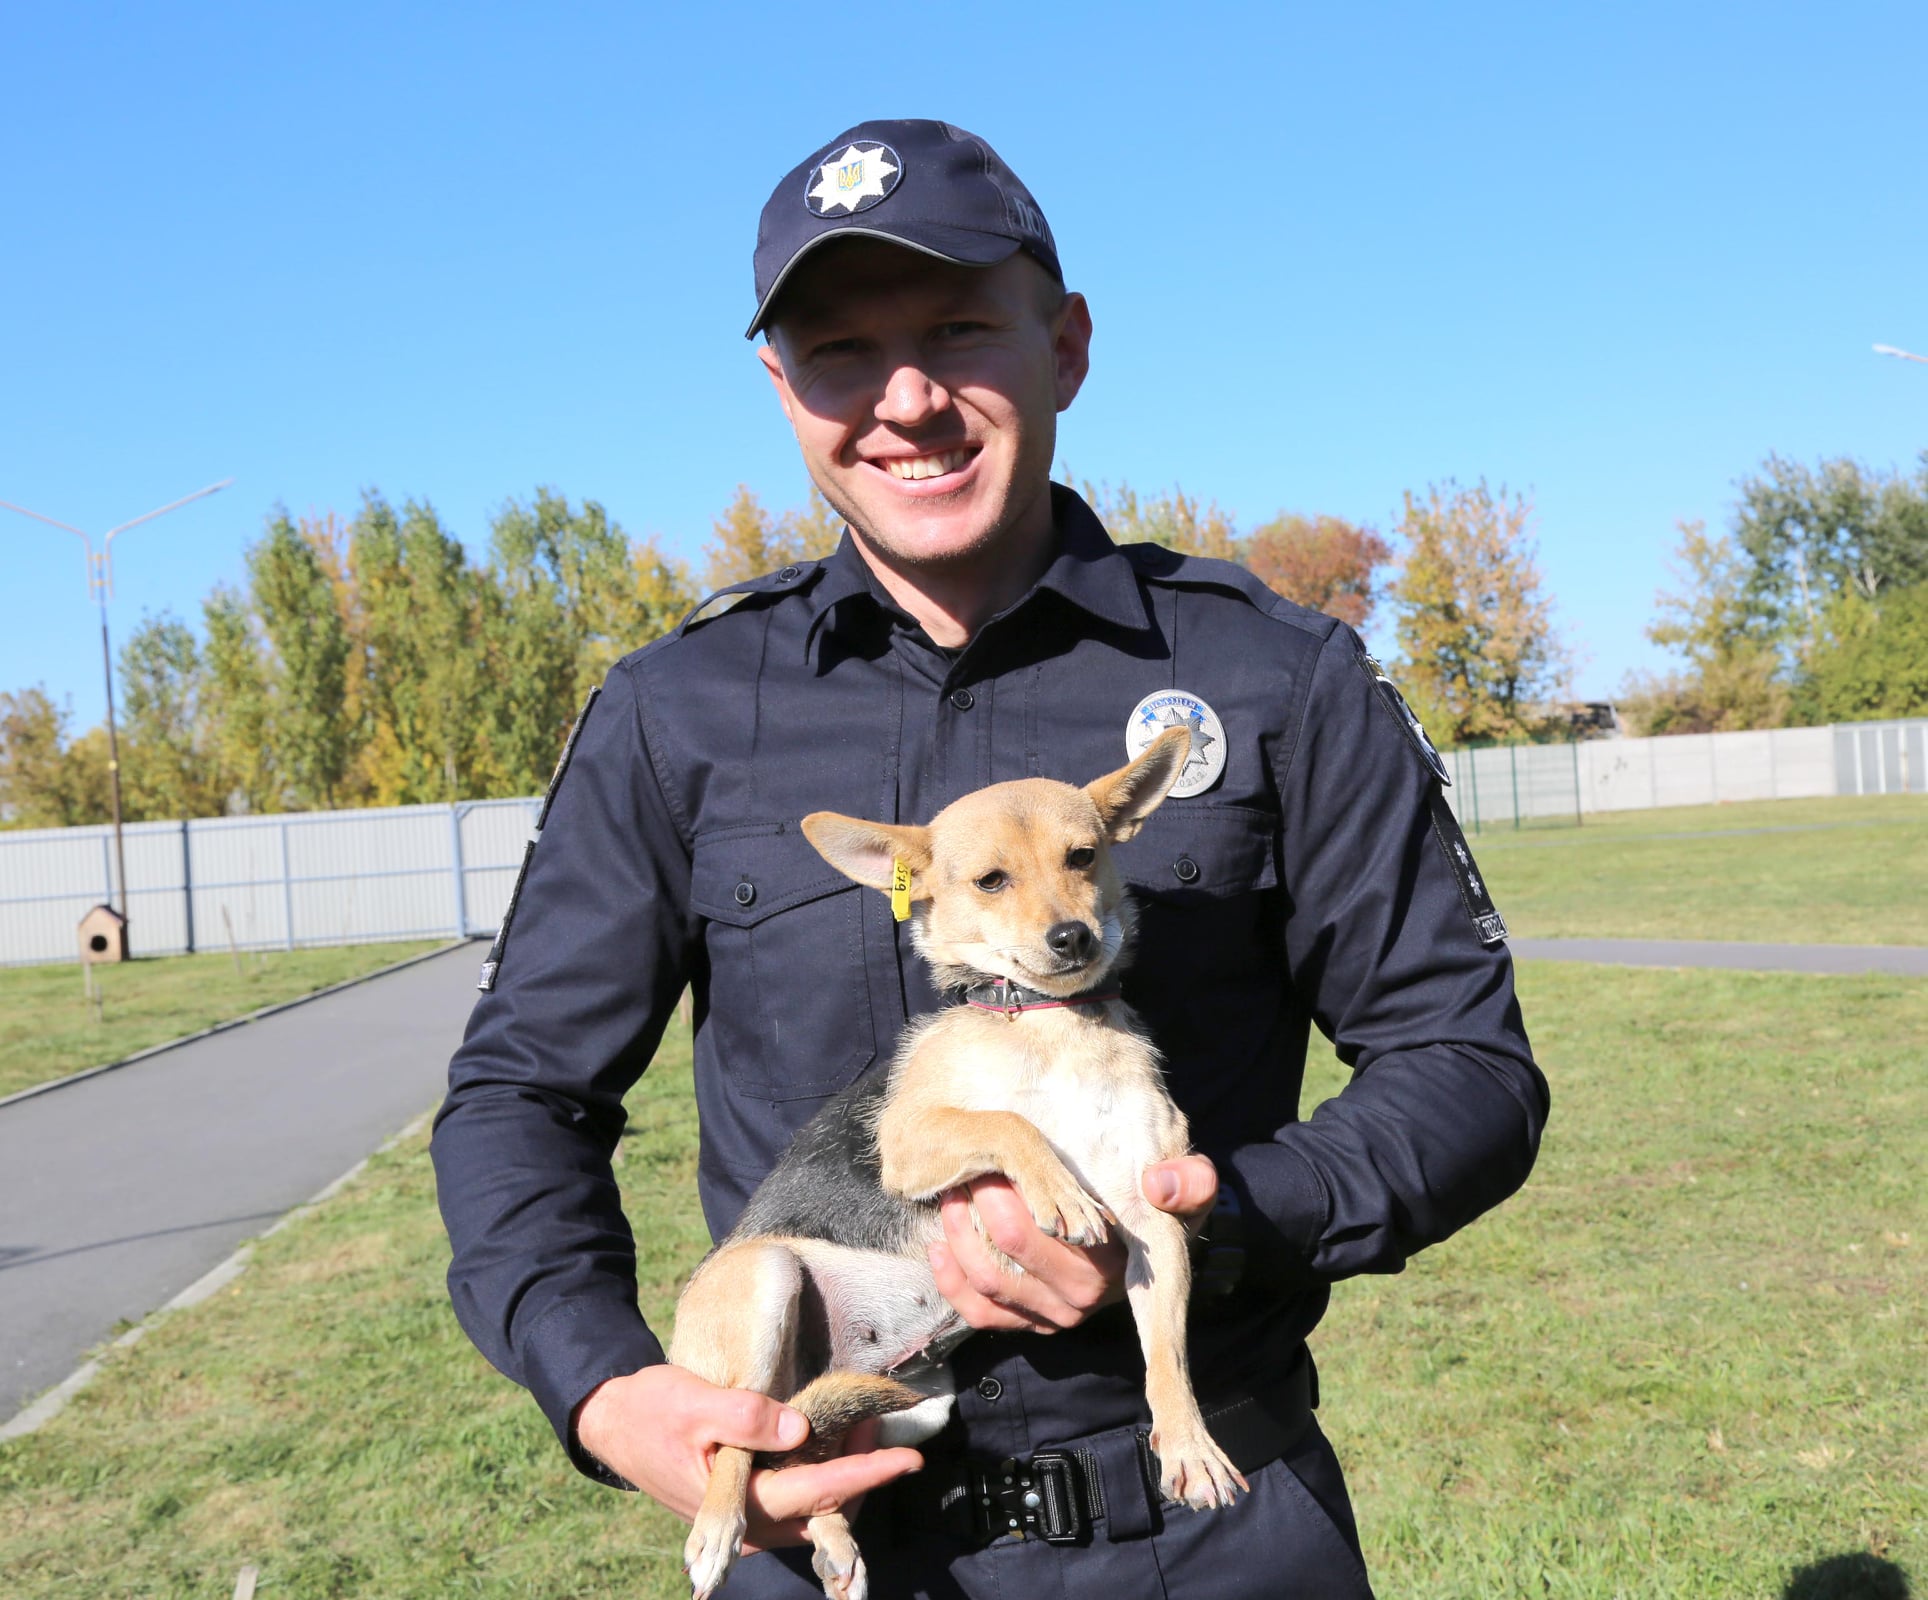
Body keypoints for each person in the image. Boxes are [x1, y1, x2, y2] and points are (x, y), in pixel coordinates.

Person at [432, 118, 1549, 1599]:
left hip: (1205, 1525)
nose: (904, 399)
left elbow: (1465, 1065)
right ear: (781, 390)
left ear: (1066, 344)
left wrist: (1210, 1226)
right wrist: (607, 1388)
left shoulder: (1278, 677)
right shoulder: (676, 712)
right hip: (833, 1542)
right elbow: (520, 1092)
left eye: (959, 327)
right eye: (838, 351)